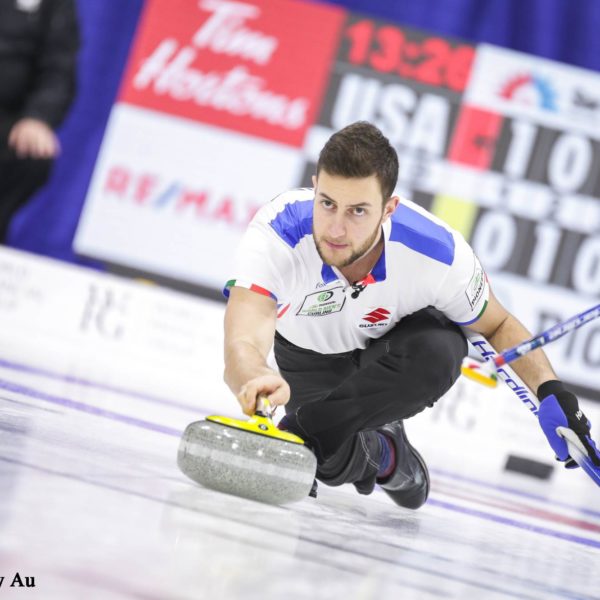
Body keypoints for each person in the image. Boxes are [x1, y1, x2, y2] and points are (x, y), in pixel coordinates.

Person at [222, 121, 600, 508]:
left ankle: (317, 435)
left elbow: (498, 324)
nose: (336, 228)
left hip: (390, 351)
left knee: (439, 348)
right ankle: (389, 455)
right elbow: (243, 340)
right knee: (329, 458)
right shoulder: (278, 232)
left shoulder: (437, 251)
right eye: (327, 203)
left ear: (389, 209)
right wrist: (255, 374)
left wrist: (552, 392)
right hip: (308, 356)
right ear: (315, 185)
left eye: (358, 211)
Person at [0, 0, 79, 243]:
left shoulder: (53, 7)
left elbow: (58, 70)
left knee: (31, 154)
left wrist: (38, 118)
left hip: (7, 118)